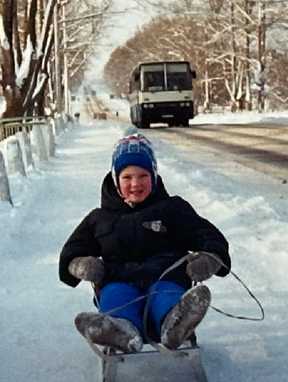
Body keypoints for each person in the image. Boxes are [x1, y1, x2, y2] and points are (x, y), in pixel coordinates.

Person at [59, 133, 230, 353]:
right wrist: (81, 264)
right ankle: (119, 330)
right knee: (116, 298)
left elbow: (209, 236)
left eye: (143, 176)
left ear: (154, 177)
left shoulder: (172, 208)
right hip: (119, 281)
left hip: (166, 277)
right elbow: (72, 250)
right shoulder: (99, 218)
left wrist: (210, 259)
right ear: (115, 179)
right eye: (127, 177)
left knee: (166, 297)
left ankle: (175, 324)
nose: (135, 184)